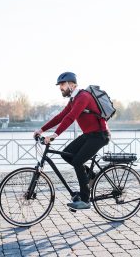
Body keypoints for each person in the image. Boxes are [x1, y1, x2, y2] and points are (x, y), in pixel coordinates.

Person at [34, 71, 110, 210]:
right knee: (66, 154)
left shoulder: (83, 97)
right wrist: (41, 130)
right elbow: (61, 116)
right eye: (59, 85)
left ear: (72, 84)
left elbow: (70, 118)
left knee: (77, 161)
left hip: (100, 136)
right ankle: (91, 176)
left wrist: (54, 135)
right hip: (89, 135)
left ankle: (85, 200)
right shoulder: (74, 99)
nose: (60, 88)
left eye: (62, 84)